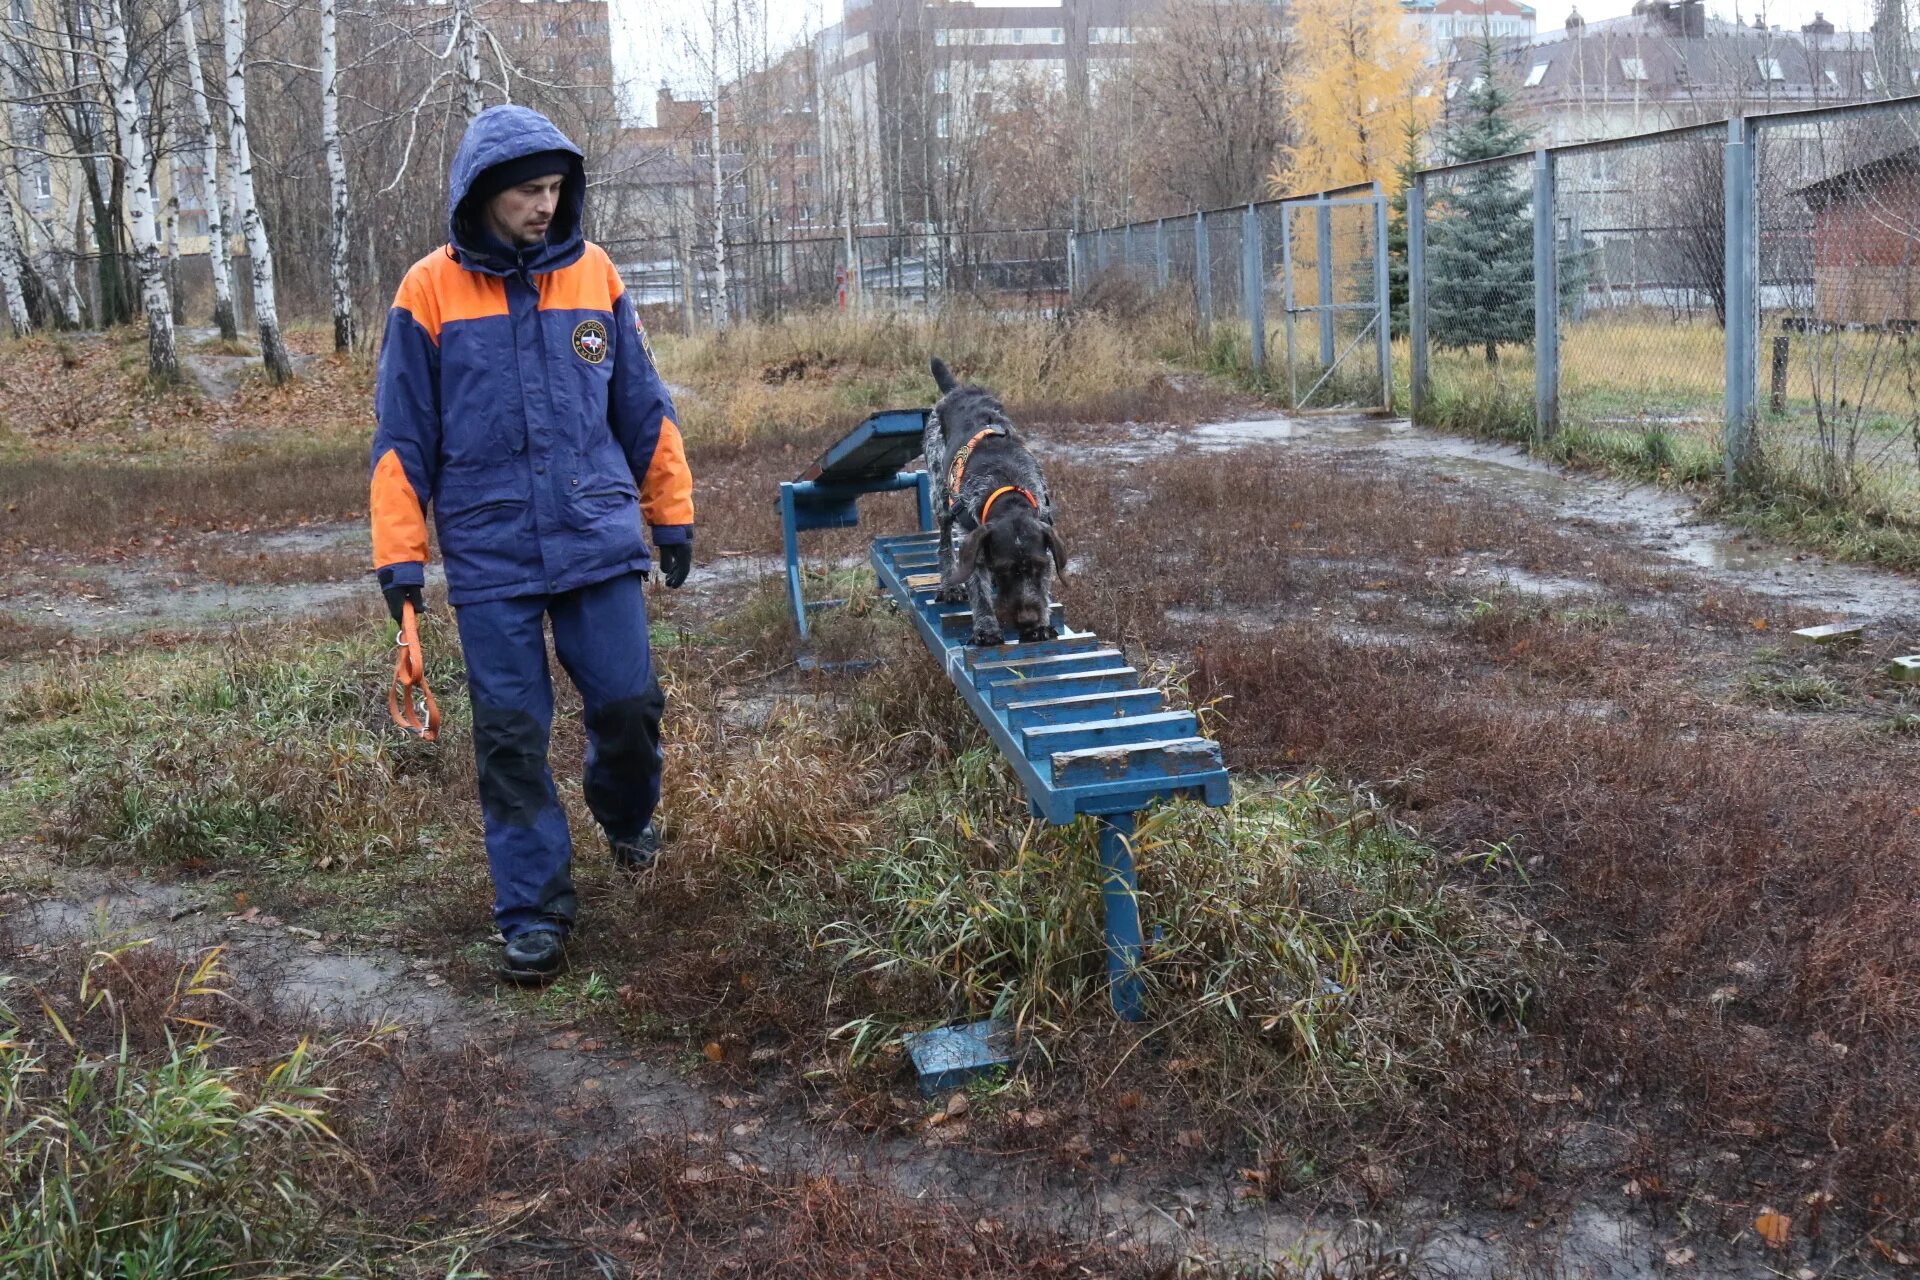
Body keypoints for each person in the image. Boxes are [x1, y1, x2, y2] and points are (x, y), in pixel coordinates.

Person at [369, 104, 694, 986]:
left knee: (629, 705)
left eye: (554, 189)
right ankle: (534, 911)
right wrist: (401, 563)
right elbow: (402, 440)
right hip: (491, 554)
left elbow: (643, 406)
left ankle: (624, 816)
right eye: (526, 192)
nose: (544, 206)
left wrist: (671, 512)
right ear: (483, 195)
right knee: (511, 739)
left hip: (595, 535)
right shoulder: (426, 291)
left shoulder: (595, 277)